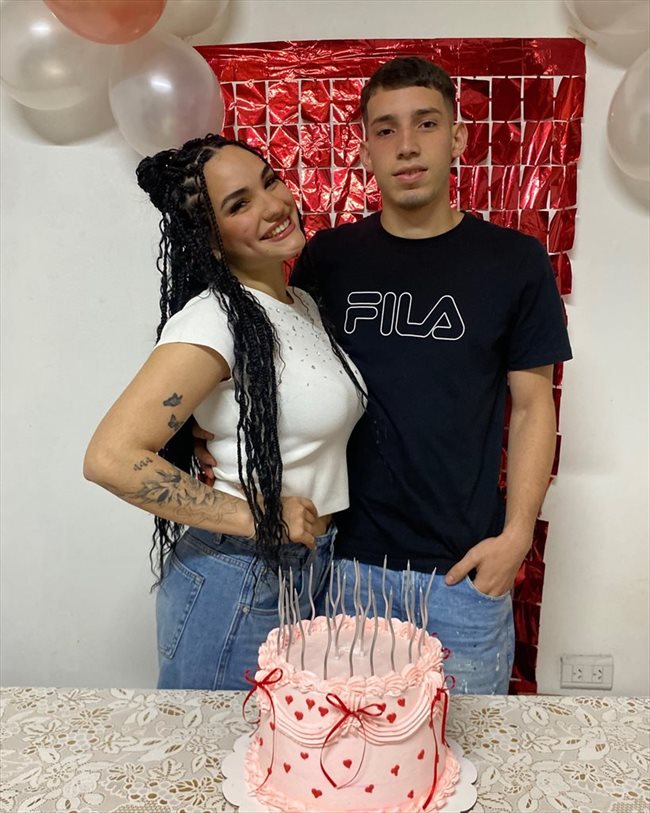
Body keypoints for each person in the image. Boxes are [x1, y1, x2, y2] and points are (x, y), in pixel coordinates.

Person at [198, 57, 572, 694]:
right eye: (386, 129)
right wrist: (205, 434)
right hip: (341, 566)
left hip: (462, 573)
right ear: (365, 147)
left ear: (457, 138)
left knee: (466, 747)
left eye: (426, 123)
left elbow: (535, 407)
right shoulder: (328, 258)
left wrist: (516, 539)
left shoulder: (515, 261)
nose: (407, 145)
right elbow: (277, 373)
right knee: (343, 743)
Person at [83, 134, 366, 691]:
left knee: (277, 744)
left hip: (303, 567)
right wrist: (258, 518)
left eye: (269, 181)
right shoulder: (213, 319)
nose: (273, 206)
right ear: (211, 242)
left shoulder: (301, 305)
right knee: (212, 745)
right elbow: (110, 457)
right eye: (239, 205)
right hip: (239, 576)